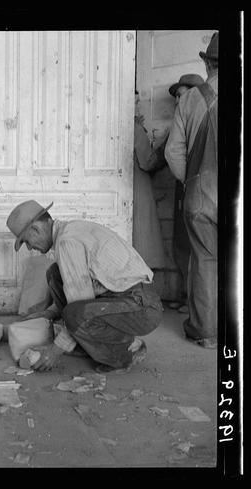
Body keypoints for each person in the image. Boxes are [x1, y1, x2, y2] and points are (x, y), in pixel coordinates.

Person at [6, 200, 163, 373]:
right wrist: (49, 313)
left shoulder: (67, 242)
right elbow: (79, 290)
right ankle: (86, 342)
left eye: (27, 242)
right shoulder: (69, 230)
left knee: (75, 314)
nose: (29, 248)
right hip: (128, 297)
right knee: (55, 274)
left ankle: (127, 351)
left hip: (142, 307)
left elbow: (80, 306)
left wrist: (56, 350)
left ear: (36, 229)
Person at [165, 33, 218, 349]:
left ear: (206, 62)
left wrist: (192, 182)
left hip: (200, 192)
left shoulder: (190, 99)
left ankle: (207, 333)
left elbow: (173, 152)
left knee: (204, 261)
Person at [167, 74, 205, 315]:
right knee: (182, 244)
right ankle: (186, 297)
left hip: (192, 185)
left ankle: (194, 304)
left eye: (181, 94)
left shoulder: (197, 111)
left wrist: (187, 180)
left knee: (197, 249)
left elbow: (171, 153)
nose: (178, 100)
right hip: (187, 187)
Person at [132, 90, 166, 272]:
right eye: (135, 102)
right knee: (142, 242)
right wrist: (162, 148)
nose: (138, 107)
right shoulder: (135, 129)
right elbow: (147, 162)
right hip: (139, 191)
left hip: (126, 189)